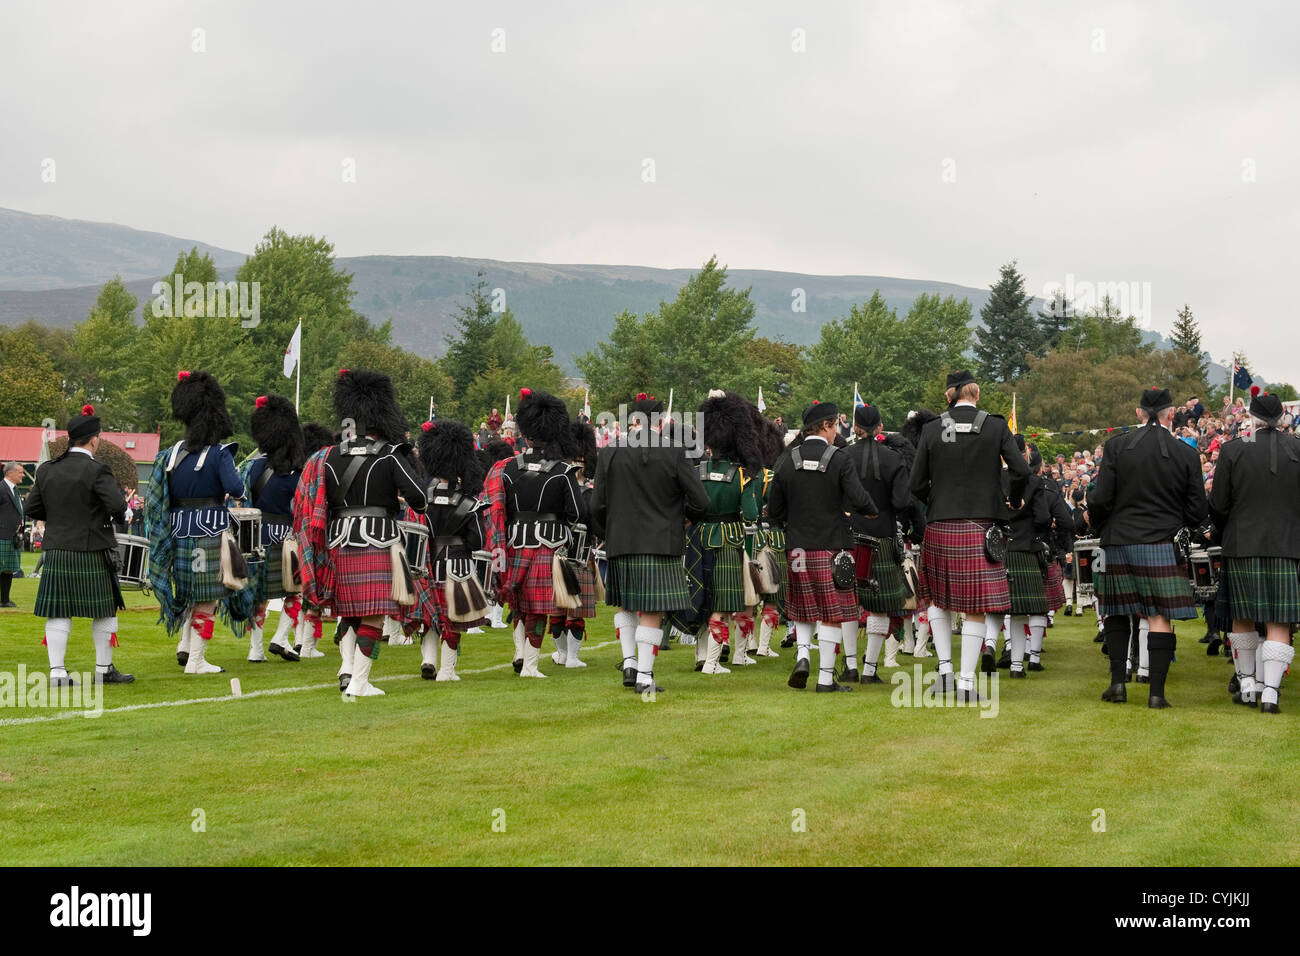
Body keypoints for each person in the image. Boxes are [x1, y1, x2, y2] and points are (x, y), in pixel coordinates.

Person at [295, 369, 427, 697]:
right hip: (379, 538)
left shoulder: (327, 457)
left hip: (338, 539)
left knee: (349, 611)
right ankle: (359, 682)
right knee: (373, 615)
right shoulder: (388, 454)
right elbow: (420, 500)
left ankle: (346, 669)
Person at [909, 370, 1029, 701]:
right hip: (982, 525)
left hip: (940, 523)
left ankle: (945, 673)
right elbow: (1020, 469)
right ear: (976, 395)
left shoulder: (933, 429)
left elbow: (915, 482)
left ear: (952, 395)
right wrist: (1013, 498)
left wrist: (936, 500)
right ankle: (965, 684)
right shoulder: (994, 426)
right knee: (976, 606)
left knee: (936, 598)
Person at [1089, 387, 1207, 708]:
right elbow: (1198, 510)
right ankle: (1156, 693)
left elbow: (1100, 499)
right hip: (1162, 542)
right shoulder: (1186, 453)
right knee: (1158, 615)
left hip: (1119, 540)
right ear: (1171, 414)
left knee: (1116, 610)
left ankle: (1117, 685)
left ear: (1138, 413)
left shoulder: (1116, 447)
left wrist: (1103, 528)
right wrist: (1179, 524)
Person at [591, 391, 709, 693]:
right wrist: (684, 519)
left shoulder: (610, 452)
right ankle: (644, 676)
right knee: (652, 610)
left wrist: (609, 532)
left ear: (633, 420)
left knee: (627, 604)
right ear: (662, 422)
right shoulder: (674, 452)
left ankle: (629, 662)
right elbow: (701, 501)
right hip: (661, 541)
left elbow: (596, 505)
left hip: (621, 539)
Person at [769, 401, 878, 693]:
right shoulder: (840, 459)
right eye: (834, 428)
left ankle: (803, 655)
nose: (836, 434)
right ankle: (826, 679)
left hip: (797, 548)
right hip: (832, 547)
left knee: (802, 607)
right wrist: (869, 511)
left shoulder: (787, 460)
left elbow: (774, 508)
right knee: (831, 614)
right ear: (827, 426)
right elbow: (858, 497)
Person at [145, 371, 246, 676]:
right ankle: (196, 660)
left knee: (189, 593)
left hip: (176, 533)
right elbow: (237, 488)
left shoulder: (170, 454)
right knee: (208, 598)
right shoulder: (219, 454)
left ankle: (185, 646)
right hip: (209, 532)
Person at [25, 405, 132, 685]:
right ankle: (103, 669)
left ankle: (57, 673)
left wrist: (60, 519)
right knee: (104, 610)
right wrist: (118, 515)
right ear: (94, 439)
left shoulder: (47, 470)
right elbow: (118, 505)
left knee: (58, 611)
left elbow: (31, 507)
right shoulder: (97, 470)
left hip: (58, 549)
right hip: (92, 549)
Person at [1208, 389, 1299, 713]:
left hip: (1241, 542)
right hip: (1288, 545)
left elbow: (1218, 505)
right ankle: (1270, 693)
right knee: (1279, 619)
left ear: (1252, 418)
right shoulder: (1298, 448)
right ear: (1282, 419)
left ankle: (1247, 684)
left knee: (1242, 617)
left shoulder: (1233, 451)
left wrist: (1223, 529)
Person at [483, 388, 583, 679]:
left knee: (519, 604)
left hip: (514, 543)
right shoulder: (564, 470)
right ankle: (529, 665)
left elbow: (497, 511)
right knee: (538, 609)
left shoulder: (506, 468)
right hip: (547, 546)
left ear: (525, 435)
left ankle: (520, 653)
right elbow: (576, 514)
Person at [684, 390, 761, 675]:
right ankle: (713, 664)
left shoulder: (696, 470)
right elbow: (751, 514)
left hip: (699, 535)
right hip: (729, 538)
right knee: (723, 602)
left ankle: (702, 655)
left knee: (702, 597)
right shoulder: (742, 474)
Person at [842, 402, 916, 683]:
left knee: (848, 602)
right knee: (880, 606)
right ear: (881, 427)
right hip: (882, 537)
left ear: (856, 427)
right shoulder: (894, 459)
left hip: (848, 536)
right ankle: (870, 670)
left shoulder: (843, 455)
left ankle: (850, 665)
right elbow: (901, 501)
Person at [418, 418, 491, 682]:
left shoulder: (423, 498)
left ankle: (428, 660)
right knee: (453, 620)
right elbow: (478, 541)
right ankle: (447, 671)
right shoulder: (469, 502)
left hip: (429, 564)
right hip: (458, 565)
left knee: (430, 616)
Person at [238, 395, 306, 663]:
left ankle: (255, 650)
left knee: (259, 596)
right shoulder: (296, 473)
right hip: (286, 537)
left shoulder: (252, 467)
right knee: (295, 590)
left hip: (256, 537)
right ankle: (280, 637)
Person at [0, 461, 25, 608]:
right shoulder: (1, 488)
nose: (22, 475)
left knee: (8, 569)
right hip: (2, 534)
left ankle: (4, 600)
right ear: (10, 473)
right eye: (20, 472)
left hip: (13, 536)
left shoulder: (15, 490)